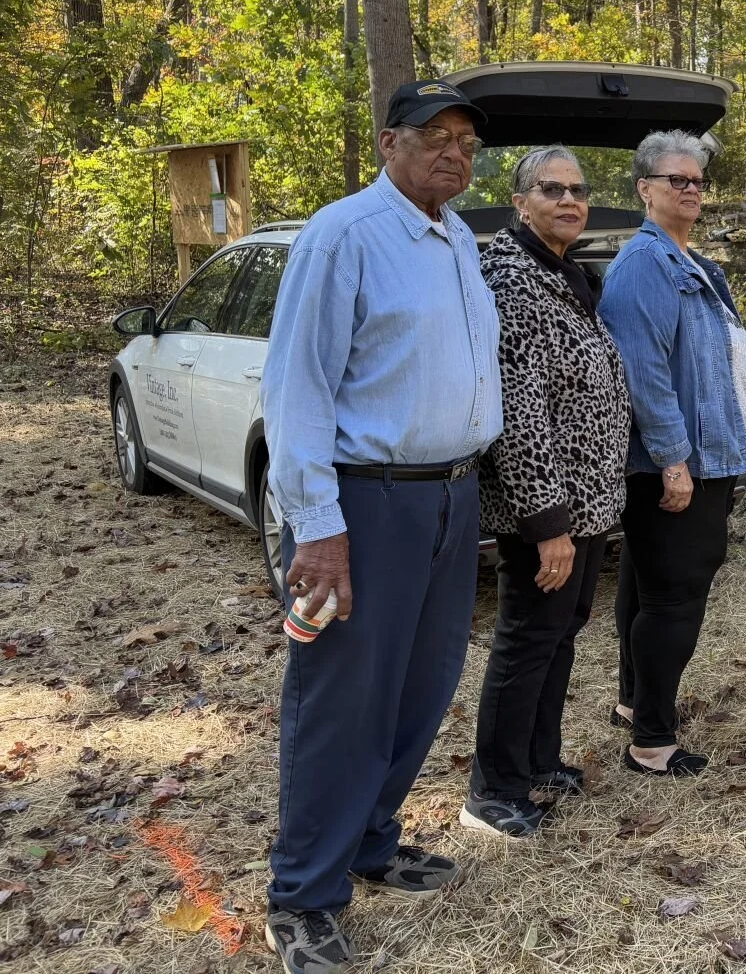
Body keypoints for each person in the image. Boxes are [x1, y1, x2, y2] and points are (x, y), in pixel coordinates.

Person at [260, 80, 501, 973]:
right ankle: (303, 895)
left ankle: (368, 841)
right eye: (435, 135)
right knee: (344, 698)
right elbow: (296, 391)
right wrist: (317, 527)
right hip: (365, 504)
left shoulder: (457, 240)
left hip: (449, 496)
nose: (453, 153)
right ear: (388, 142)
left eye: (467, 144)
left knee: (422, 684)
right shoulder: (345, 235)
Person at [462, 146, 631, 837]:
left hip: (587, 503)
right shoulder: (510, 278)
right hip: (547, 509)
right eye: (551, 188)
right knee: (528, 636)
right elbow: (520, 408)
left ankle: (537, 758)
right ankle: (492, 789)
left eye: (578, 189)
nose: (569, 199)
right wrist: (546, 521)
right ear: (520, 201)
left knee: (562, 632)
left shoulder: (561, 272)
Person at [597, 131, 746, 777]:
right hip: (679, 463)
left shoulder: (692, 261)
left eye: (696, 180)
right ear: (645, 188)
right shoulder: (644, 265)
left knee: (647, 583)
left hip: (709, 454)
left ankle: (637, 703)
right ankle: (654, 742)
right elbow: (644, 371)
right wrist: (672, 458)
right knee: (676, 597)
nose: (690, 189)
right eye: (675, 180)